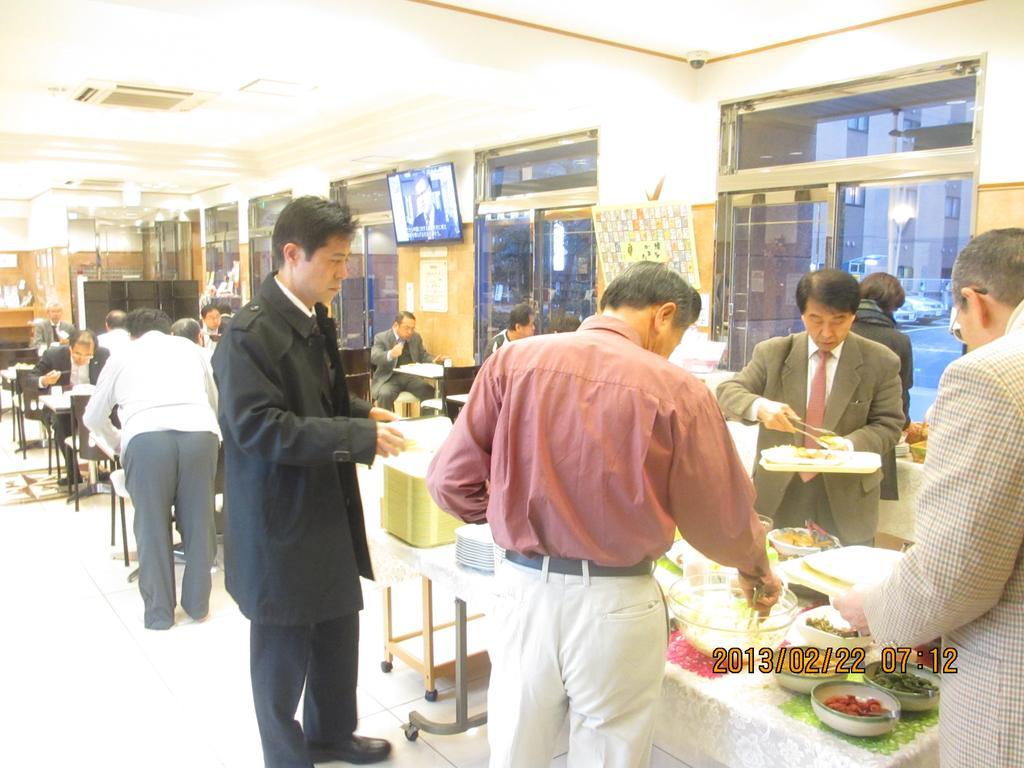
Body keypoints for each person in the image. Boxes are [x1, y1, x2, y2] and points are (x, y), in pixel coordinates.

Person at [426, 262, 781, 767]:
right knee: (609, 755)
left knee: (514, 750)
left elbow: (447, 481)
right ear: (664, 315)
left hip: (523, 591)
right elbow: (721, 516)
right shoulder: (679, 390)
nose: (671, 351)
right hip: (619, 603)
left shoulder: (512, 361)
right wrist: (754, 565)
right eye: (676, 338)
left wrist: (510, 511)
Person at [212, 196, 405, 768]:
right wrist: (355, 435)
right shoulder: (248, 334)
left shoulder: (313, 316)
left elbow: (314, 398)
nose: (344, 273)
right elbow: (259, 428)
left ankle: (332, 735)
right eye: (335, 261)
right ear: (292, 254)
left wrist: (361, 410)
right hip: (279, 518)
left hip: (325, 506)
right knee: (282, 647)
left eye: (346, 261)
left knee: (337, 633)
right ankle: (285, 753)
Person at [835, 228, 1024, 767]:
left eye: (958, 318)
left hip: (1008, 684)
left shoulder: (992, 373)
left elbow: (957, 568)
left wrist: (873, 608)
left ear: (974, 301)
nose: (960, 332)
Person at [716, 269, 904, 545]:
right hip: (782, 490)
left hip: (846, 494)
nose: (826, 332)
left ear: (853, 316)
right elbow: (727, 392)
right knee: (778, 578)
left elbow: (889, 424)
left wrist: (849, 445)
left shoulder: (880, 361)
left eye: (838, 321)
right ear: (802, 315)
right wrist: (760, 406)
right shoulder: (774, 352)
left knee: (843, 582)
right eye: (815, 320)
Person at [84, 309, 220, 630]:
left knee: (152, 526)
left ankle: (159, 614)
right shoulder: (193, 350)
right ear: (167, 330)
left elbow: (92, 417)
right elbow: (214, 400)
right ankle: (198, 605)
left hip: (146, 439)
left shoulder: (121, 355)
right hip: (200, 435)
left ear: (131, 334)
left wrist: (119, 442)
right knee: (200, 522)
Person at [32, 328, 110, 484]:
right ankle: (73, 473)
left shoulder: (103, 354)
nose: (82, 359)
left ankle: (105, 469)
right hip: (62, 408)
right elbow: (30, 377)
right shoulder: (54, 354)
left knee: (111, 420)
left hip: (93, 406)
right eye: (77, 354)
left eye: (88, 355)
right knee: (60, 424)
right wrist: (44, 381)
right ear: (70, 348)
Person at [852, 272, 913, 425]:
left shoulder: (841, 332)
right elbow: (903, 390)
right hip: (881, 427)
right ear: (892, 307)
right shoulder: (899, 340)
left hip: (839, 423)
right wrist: (904, 424)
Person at [370, 311, 444, 411]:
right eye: (407, 328)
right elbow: (374, 357)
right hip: (390, 378)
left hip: (411, 377)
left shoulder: (415, 337)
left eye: (412, 328)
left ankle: (425, 422)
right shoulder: (381, 337)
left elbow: (422, 355)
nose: (410, 332)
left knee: (430, 392)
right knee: (385, 394)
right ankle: (386, 425)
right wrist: (391, 354)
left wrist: (433, 360)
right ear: (396, 325)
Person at [410, 173, 458, 239]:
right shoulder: (416, 222)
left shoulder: (447, 219)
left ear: (430, 191)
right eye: (418, 195)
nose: (421, 200)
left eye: (423, 193)